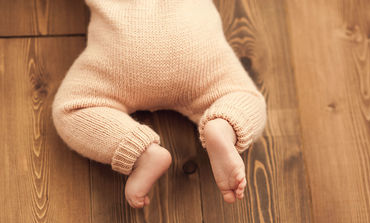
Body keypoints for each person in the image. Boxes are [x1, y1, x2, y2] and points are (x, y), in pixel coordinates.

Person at [52, 0, 267, 208]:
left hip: (124, 54)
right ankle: (223, 127)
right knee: (245, 97)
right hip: (194, 46)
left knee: (71, 109)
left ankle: (142, 153)